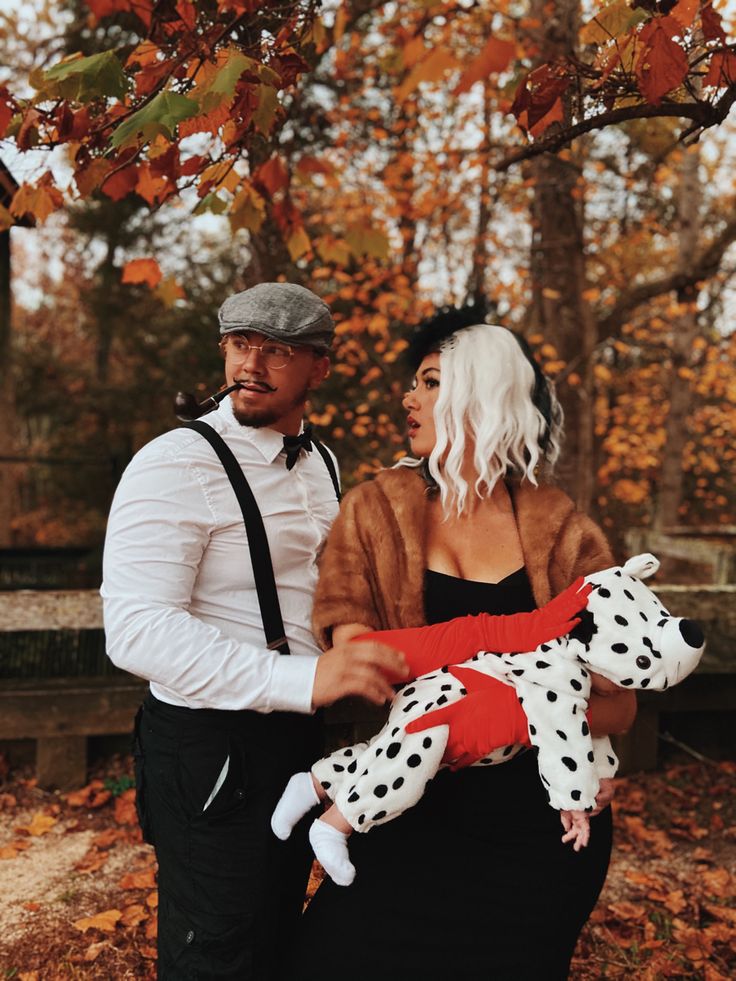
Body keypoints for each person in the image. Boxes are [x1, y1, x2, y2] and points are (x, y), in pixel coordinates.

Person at [293, 308, 637, 981]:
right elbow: (366, 662)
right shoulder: (374, 510)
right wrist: (533, 687)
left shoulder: (560, 526)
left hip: (537, 830)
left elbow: (619, 704)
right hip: (408, 799)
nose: (407, 397)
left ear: (481, 395)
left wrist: (515, 710)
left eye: (428, 382)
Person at [100, 282, 411, 980]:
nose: (252, 363)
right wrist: (302, 678)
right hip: (211, 746)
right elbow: (136, 630)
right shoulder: (177, 462)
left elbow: (315, 591)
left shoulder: (322, 463)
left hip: (296, 739)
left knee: (273, 933)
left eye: (277, 350)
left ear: (319, 367)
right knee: (215, 951)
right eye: (241, 344)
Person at [271, 577, 594, 885]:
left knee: (395, 750)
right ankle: (338, 822)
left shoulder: (580, 581)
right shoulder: (369, 527)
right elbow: (356, 648)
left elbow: (605, 711)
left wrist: (585, 777)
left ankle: (315, 783)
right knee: (418, 749)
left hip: (511, 809)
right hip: (445, 686)